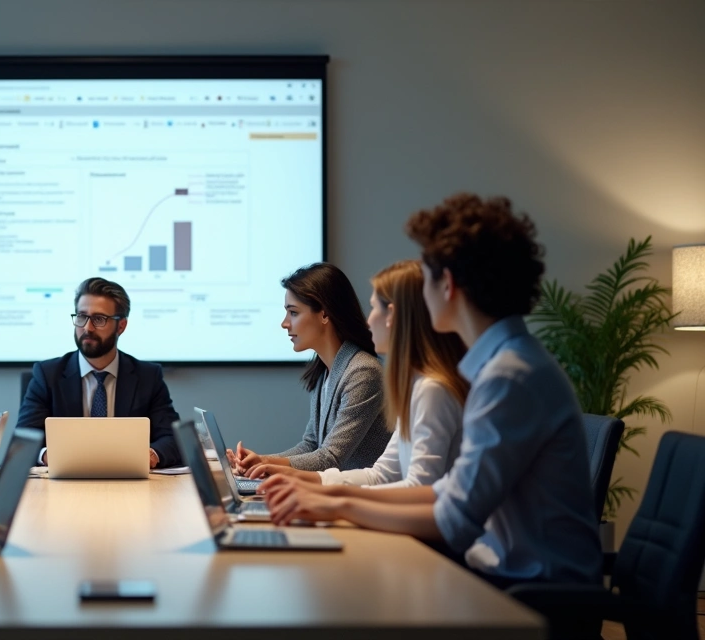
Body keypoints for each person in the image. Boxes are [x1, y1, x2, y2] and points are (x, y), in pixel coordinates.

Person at [262, 193, 603, 588]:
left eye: (426, 279)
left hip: (526, 590)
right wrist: (331, 499)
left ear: (448, 286)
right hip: (506, 574)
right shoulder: (505, 365)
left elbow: (454, 518)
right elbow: (442, 492)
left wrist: (335, 504)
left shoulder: (507, 378)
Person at [249, 260, 468, 488]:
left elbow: (332, 458)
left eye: (293, 313)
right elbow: (381, 473)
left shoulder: (371, 373)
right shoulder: (329, 371)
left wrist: (329, 496)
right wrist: (270, 466)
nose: (369, 320)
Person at [229, 263, 390, 476]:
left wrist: (267, 466)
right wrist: (260, 461)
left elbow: (330, 457)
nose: (284, 323)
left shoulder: (363, 373)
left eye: (293, 313)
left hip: (361, 500)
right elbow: (311, 444)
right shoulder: (325, 369)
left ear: (324, 314)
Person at [17, 277, 181, 468]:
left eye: (99, 319)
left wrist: (151, 454)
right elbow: (23, 441)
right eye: (81, 316)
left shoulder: (148, 376)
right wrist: (46, 455)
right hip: (64, 486)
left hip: (129, 485)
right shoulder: (47, 375)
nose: (87, 327)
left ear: (121, 326)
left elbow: (172, 439)